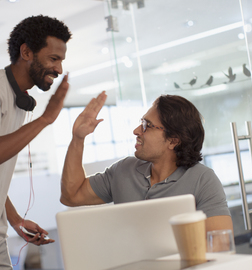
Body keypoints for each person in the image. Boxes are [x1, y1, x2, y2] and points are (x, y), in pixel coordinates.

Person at [60, 93, 233, 233]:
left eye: (147, 125)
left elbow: (220, 244)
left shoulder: (203, 179)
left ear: (173, 141)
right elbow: (71, 195)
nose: (136, 131)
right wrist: (78, 138)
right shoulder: (124, 170)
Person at [0, 15, 71, 268]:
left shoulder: (20, 102)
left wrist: (15, 219)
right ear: (26, 52)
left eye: (61, 61)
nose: (59, 69)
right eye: (54, 59)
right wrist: (46, 119)